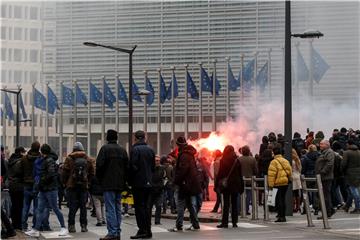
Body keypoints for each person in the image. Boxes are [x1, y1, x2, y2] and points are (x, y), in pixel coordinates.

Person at [25, 144, 68, 237]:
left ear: (42, 151)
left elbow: (51, 174)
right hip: (46, 188)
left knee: (54, 208)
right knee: (40, 209)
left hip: (49, 189)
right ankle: (36, 229)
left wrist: (41, 181)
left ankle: (64, 227)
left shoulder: (48, 160)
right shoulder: (47, 160)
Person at [96, 129, 129, 240]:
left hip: (108, 183)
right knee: (117, 208)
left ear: (107, 138)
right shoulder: (123, 150)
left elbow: (99, 167)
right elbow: (127, 168)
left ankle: (112, 232)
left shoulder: (104, 149)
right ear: (116, 138)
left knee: (110, 208)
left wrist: (100, 180)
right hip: (119, 184)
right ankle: (117, 231)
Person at [169, 136, 201, 232]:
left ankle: (179, 225)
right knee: (190, 205)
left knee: (180, 204)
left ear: (179, 145)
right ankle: (195, 224)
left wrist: (176, 181)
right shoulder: (190, 154)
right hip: (190, 183)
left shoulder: (183, 155)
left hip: (184, 184)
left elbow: (182, 170)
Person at [62, 142, 95, 233]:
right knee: (83, 207)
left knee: (72, 206)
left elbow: (64, 172)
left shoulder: (69, 158)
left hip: (71, 186)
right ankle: (83, 226)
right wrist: (88, 181)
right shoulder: (87, 159)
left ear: (73, 149)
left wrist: (64, 183)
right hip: (83, 186)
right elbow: (92, 173)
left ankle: (71, 226)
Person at [128, 130, 155, 239]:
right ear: (144, 137)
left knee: (139, 207)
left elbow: (133, 167)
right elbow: (153, 167)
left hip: (138, 183)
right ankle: (148, 230)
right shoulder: (150, 149)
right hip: (149, 182)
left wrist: (130, 181)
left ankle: (142, 230)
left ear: (135, 138)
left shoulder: (135, 149)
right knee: (147, 207)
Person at [216, 145, 243, 228]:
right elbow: (240, 174)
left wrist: (217, 184)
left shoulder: (223, 160)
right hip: (235, 184)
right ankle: (235, 222)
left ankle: (225, 222)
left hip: (226, 185)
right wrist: (241, 185)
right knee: (234, 204)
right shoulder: (237, 160)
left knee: (226, 204)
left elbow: (220, 174)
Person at [268, 143, 292, 222]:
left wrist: (270, 185)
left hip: (277, 183)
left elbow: (272, 174)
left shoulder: (273, 162)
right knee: (283, 198)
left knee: (279, 200)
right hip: (285, 182)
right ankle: (283, 215)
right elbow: (289, 171)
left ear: (274, 153)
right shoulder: (285, 161)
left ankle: (281, 216)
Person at [315, 140, 336, 219]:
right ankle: (329, 210)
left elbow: (330, 163)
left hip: (326, 177)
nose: (320, 145)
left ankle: (327, 213)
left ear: (327, 145)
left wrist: (322, 171)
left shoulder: (329, 152)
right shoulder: (323, 152)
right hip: (322, 177)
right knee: (323, 195)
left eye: (322, 144)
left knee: (325, 195)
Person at [7, 146, 26, 230]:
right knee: (19, 205)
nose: (25, 154)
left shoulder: (10, 160)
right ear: (20, 152)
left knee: (14, 205)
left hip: (11, 185)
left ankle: (14, 223)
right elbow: (20, 172)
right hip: (19, 185)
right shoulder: (20, 161)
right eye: (23, 152)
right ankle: (18, 224)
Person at [341, 140, 360, 213]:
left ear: (348, 145)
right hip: (358, 173)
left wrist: (342, 171)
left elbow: (343, 164)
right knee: (353, 191)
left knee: (354, 191)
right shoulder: (359, 152)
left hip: (350, 174)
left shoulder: (346, 153)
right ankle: (347, 206)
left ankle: (358, 208)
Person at [239, 145, 257, 215]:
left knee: (240, 195)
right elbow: (255, 170)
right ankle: (246, 209)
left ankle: (240, 209)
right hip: (250, 180)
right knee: (248, 195)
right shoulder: (252, 159)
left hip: (240, 180)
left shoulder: (239, 159)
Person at [149, 155, 166, 225]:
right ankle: (148, 221)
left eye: (158, 160)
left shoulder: (162, 168)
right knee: (149, 206)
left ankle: (157, 221)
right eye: (156, 160)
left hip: (159, 190)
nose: (157, 162)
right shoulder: (150, 168)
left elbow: (164, 177)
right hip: (151, 190)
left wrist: (163, 185)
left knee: (159, 206)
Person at [292, 149, 302, 213]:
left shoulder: (291, 160)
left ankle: (293, 207)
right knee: (297, 193)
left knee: (292, 193)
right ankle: (298, 207)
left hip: (292, 176)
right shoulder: (297, 159)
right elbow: (300, 168)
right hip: (297, 176)